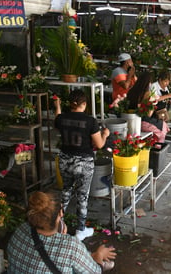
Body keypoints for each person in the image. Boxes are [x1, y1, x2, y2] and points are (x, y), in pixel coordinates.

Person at [7, 191, 116, 273]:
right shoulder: (70, 246)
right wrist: (98, 255)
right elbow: (95, 272)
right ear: (60, 213)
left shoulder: (21, 230)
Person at [54, 89, 110, 241]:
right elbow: (99, 145)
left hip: (65, 160)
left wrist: (57, 105)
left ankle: (57, 225)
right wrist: (105, 134)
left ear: (70, 104)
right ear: (84, 104)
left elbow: (57, 118)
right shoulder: (90, 121)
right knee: (82, 196)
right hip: (84, 163)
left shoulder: (62, 119)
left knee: (65, 191)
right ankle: (80, 230)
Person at [127, 71, 169, 142]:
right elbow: (148, 114)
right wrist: (153, 103)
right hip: (142, 122)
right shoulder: (148, 94)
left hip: (129, 119)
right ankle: (157, 147)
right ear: (148, 83)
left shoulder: (131, 91)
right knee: (163, 126)